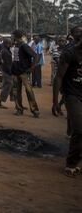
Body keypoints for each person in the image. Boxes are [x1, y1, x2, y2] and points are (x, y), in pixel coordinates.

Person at [52, 25, 82, 177]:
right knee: (78, 129)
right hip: (72, 94)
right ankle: (71, 162)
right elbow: (58, 77)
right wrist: (55, 101)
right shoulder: (70, 53)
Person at [12, 30, 40, 117]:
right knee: (16, 92)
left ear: (16, 36)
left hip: (24, 72)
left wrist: (32, 68)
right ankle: (19, 109)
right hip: (15, 72)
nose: (11, 37)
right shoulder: (15, 45)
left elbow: (35, 56)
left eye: (12, 36)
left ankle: (35, 110)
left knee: (29, 91)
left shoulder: (24, 46)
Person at [0, 38, 14, 109]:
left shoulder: (5, 50)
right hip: (7, 71)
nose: (11, 44)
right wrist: (10, 72)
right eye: (10, 43)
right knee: (8, 85)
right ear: (7, 44)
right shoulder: (6, 52)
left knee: (7, 86)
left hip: (5, 71)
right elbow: (7, 64)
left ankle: (2, 101)